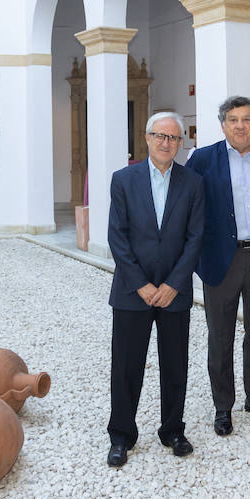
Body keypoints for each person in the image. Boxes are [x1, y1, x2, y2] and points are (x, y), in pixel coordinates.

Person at [105, 111, 205, 468]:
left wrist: (174, 285)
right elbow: (117, 237)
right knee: (127, 366)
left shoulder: (193, 183)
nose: (166, 143)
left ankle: (173, 430)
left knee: (175, 365)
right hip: (134, 292)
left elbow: (195, 239)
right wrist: (143, 286)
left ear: (181, 144)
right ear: (147, 138)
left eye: (173, 138)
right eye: (160, 136)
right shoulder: (123, 179)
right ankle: (121, 436)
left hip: (174, 293)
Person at [185, 96, 250, 436]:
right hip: (219, 260)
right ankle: (222, 406)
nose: (240, 125)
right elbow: (191, 213)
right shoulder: (201, 160)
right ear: (223, 124)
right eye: (232, 119)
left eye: (246, 119)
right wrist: (196, 258)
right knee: (221, 336)